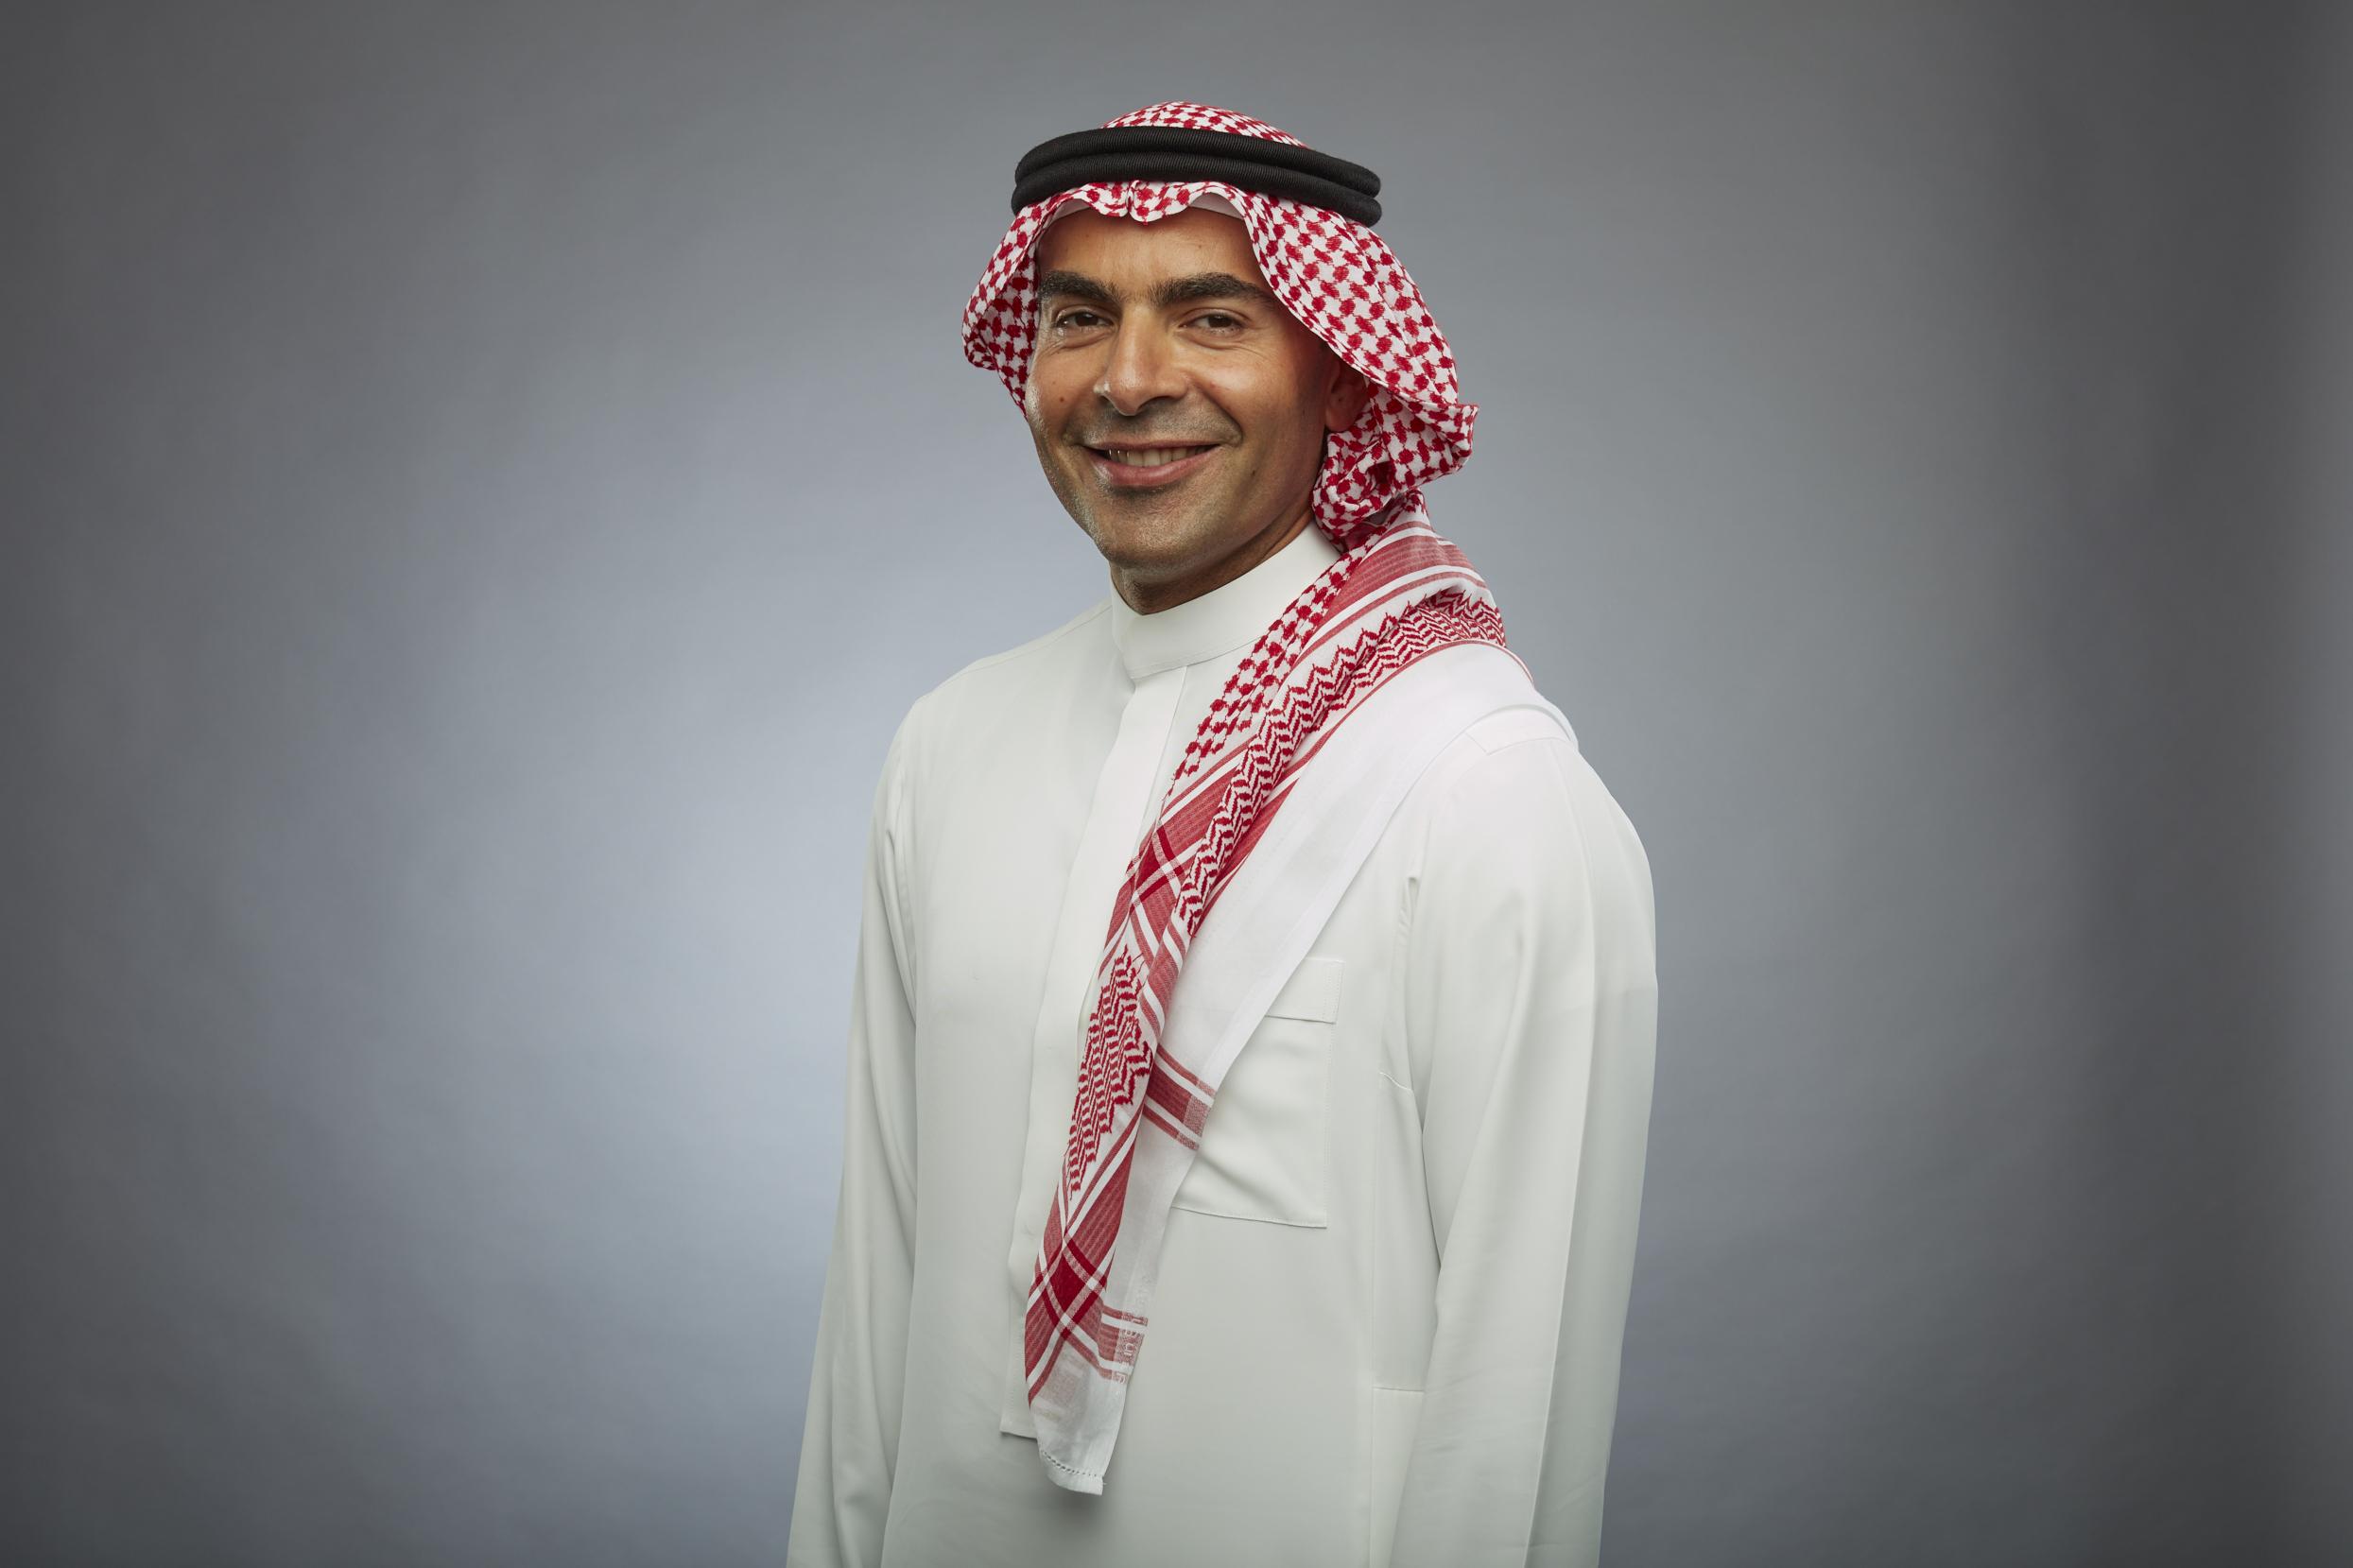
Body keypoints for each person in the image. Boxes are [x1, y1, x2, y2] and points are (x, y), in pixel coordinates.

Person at [787, 100, 1658, 1568]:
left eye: (1210, 317)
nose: (1130, 382)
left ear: (1338, 369)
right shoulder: (952, 744)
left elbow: (1520, 1399)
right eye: (1080, 318)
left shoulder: (1479, 784)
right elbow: (876, 1299)